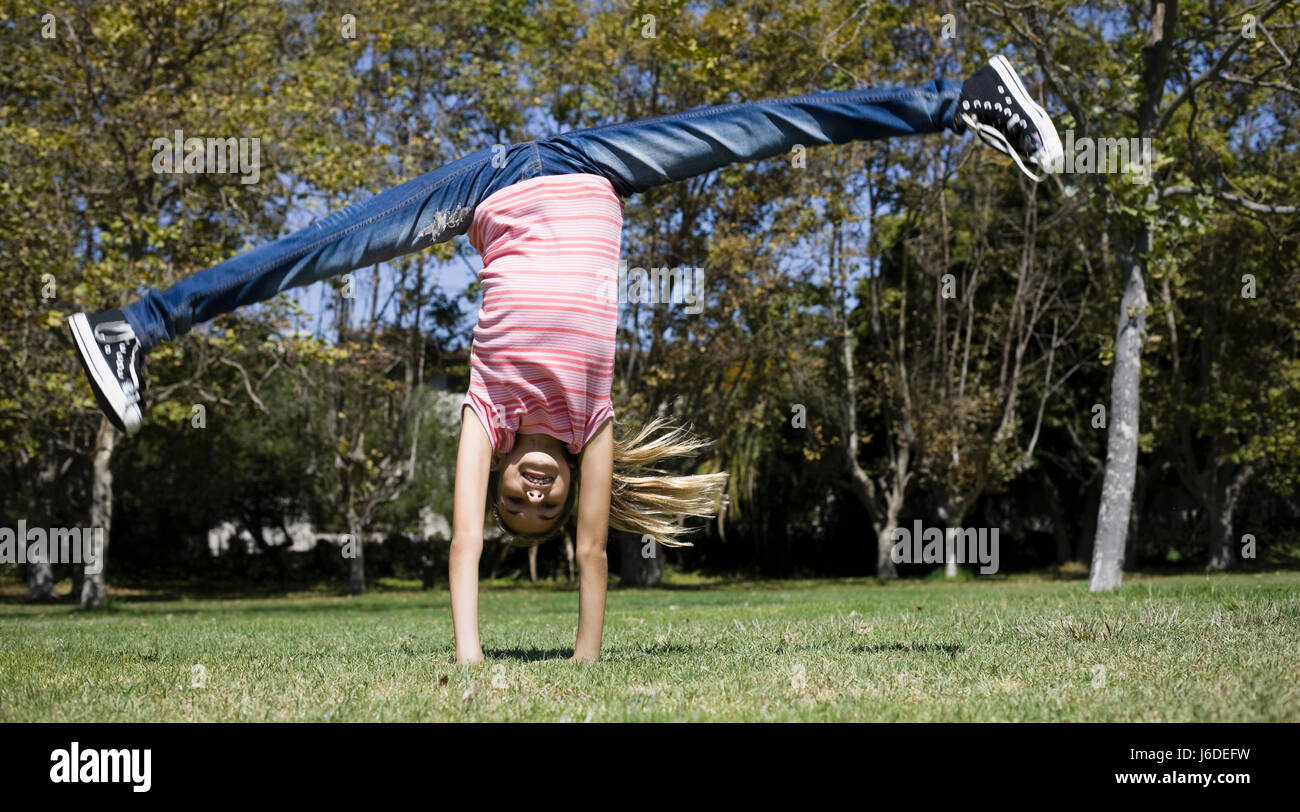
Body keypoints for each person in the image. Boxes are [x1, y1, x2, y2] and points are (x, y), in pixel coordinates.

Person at [67, 54, 1063, 662]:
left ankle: (137, 324)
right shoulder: (591, 423)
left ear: (500, 470)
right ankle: (961, 102)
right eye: (544, 504)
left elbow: (463, 548)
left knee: (325, 247)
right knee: (767, 129)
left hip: (488, 186)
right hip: (594, 168)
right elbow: (591, 551)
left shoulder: (487, 413)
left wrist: (468, 655)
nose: (537, 496)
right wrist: (585, 660)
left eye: (519, 499)